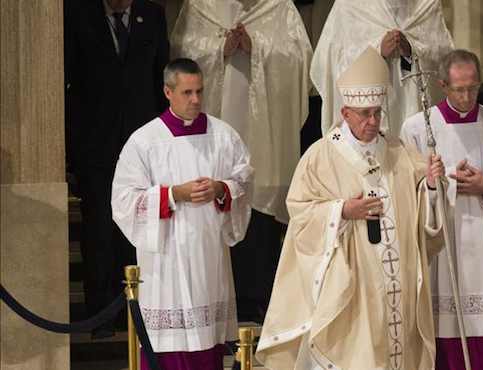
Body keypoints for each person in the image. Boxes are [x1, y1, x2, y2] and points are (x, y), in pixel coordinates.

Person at [256, 47, 446, 370]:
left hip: (398, 288)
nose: (373, 121)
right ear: (345, 113)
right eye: (365, 114)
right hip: (352, 295)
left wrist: (429, 185)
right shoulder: (319, 158)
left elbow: (424, 218)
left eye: (377, 112)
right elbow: (300, 216)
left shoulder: (400, 154)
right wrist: (342, 211)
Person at [170, 0, 313, 322]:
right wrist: (218, 49)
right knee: (214, 213)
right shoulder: (201, 6)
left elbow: (302, 60)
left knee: (259, 219)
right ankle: (216, 300)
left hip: (263, 138)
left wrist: (258, 46)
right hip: (211, 139)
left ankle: (260, 296)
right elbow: (181, 52)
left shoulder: (278, 7)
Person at [111, 58, 253, 370]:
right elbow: (123, 201)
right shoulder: (144, 141)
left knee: (208, 344)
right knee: (169, 349)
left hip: (208, 259)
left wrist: (220, 188)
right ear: (167, 92)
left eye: (200, 91)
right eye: (187, 92)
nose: (196, 100)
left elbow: (244, 180)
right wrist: (174, 194)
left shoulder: (223, 135)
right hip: (166, 265)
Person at [402, 49, 483, 370]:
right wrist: (440, 183)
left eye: (473, 87)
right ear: (443, 85)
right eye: (459, 89)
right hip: (442, 244)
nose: (467, 96)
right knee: (446, 330)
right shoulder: (418, 128)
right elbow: (405, 189)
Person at [64, 0, 170, 339]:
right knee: (98, 233)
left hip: (141, 147)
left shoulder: (151, 15)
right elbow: (67, 82)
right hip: (96, 148)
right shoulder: (78, 14)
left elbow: (160, 82)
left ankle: (135, 311)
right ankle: (100, 316)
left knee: (136, 229)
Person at [311, 0, 454, 136]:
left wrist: (411, 50)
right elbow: (330, 60)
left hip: (412, 110)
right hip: (369, 117)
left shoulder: (426, 4)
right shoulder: (349, 5)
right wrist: (378, 51)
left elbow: (444, 58)